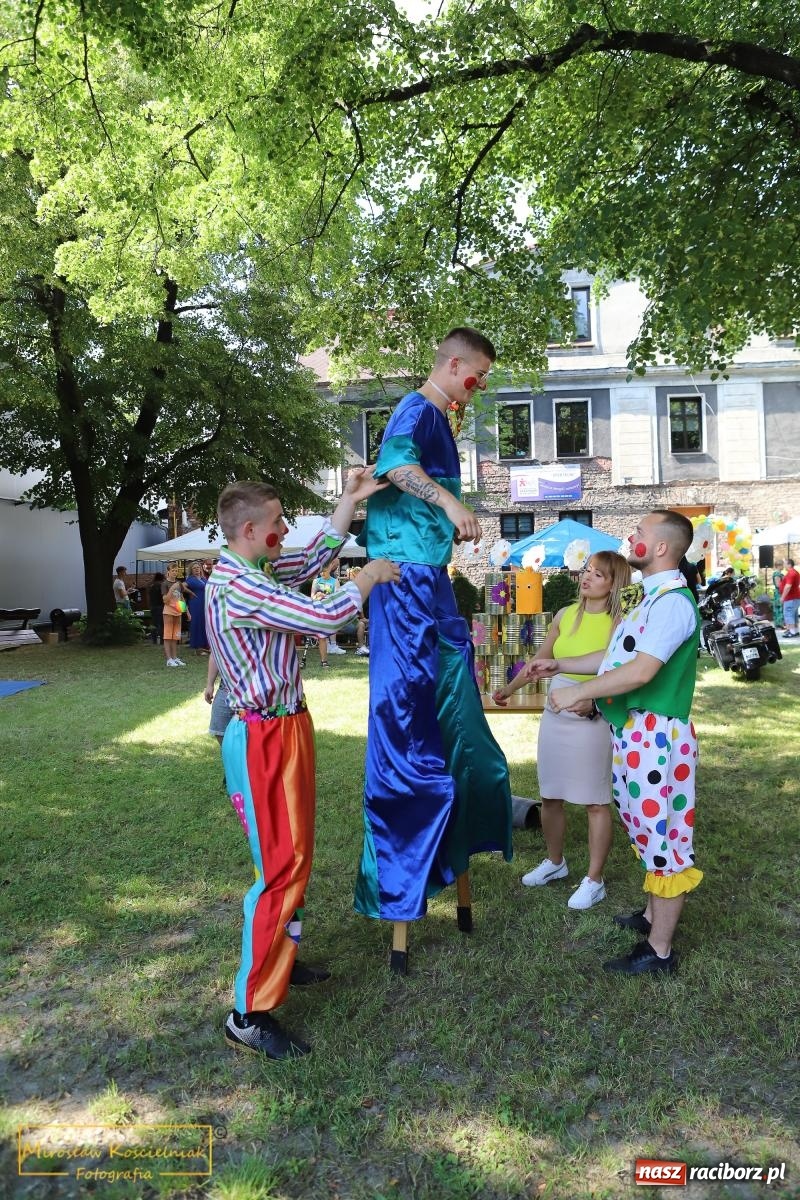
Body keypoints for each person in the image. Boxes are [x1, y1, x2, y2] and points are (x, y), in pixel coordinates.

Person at [204, 473, 400, 1059]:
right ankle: (249, 1012)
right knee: (278, 870)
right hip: (264, 738)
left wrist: (348, 502)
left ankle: (281, 960)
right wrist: (369, 575)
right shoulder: (238, 586)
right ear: (249, 530)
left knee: (294, 857)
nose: (286, 530)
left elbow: (312, 559)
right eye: (278, 523)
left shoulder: (258, 569)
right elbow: (322, 617)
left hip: (285, 728)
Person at [354, 327, 512, 928]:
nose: (479, 386)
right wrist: (449, 504)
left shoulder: (438, 419)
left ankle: (455, 838)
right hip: (405, 585)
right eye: (477, 375)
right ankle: (401, 870)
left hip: (430, 583)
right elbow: (396, 465)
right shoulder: (417, 410)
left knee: (453, 714)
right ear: (452, 364)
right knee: (406, 718)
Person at [531, 510, 702, 976]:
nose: (631, 536)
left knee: (664, 838)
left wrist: (580, 692)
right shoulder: (651, 598)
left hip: (658, 737)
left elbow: (641, 671)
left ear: (661, 547)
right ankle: (651, 915)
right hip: (636, 732)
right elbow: (614, 658)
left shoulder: (672, 603)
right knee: (646, 828)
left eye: (639, 532)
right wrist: (560, 665)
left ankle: (659, 950)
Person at [492, 552, 632, 910]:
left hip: (593, 710)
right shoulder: (564, 615)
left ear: (614, 583)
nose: (587, 577)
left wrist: (591, 699)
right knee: (551, 794)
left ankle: (595, 880)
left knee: (595, 800)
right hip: (556, 711)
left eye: (598, 574)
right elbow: (541, 661)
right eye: (587, 571)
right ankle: (555, 862)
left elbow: (615, 666)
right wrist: (508, 689)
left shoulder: (621, 620)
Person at [161, 564, 194, 667]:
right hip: (168, 612)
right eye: (173, 570)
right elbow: (165, 600)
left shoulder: (178, 583)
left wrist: (187, 612)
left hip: (178, 612)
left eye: (176, 571)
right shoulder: (164, 584)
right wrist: (172, 589)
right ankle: (169, 659)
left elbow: (181, 598)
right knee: (168, 636)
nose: (175, 572)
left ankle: (175, 657)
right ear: (168, 571)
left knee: (176, 636)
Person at [311, 561, 345, 655]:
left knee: (332, 618)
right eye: (321, 572)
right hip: (319, 608)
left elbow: (337, 597)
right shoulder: (316, 581)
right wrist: (318, 596)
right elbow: (312, 597)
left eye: (324, 571)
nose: (322, 573)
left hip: (331, 608)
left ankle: (333, 645)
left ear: (329, 569)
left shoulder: (335, 581)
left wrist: (325, 596)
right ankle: (327, 645)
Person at [186, 560, 210, 655]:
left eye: (198, 567)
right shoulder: (190, 579)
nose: (197, 569)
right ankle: (198, 647)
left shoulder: (204, 579)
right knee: (197, 623)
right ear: (191, 570)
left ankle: (206, 646)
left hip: (205, 603)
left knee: (205, 623)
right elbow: (181, 587)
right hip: (196, 604)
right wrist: (190, 592)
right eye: (194, 568)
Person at [780, 558, 800, 637]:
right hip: (795, 597)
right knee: (793, 614)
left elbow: (788, 586)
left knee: (788, 614)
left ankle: (792, 632)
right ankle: (795, 630)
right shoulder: (795, 572)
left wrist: (782, 597)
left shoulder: (791, 573)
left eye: (785, 563)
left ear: (789, 564)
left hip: (791, 598)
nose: (784, 565)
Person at [148, 572, 165, 644]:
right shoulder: (162, 585)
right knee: (161, 624)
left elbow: (149, 596)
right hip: (160, 606)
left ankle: (154, 640)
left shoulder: (150, 585)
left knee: (154, 623)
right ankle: (162, 640)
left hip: (152, 606)